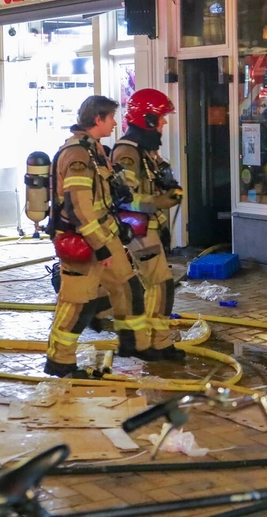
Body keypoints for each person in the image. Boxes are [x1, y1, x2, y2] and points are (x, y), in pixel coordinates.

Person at [44, 95, 156, 378]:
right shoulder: (78, 156)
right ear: (98, 119)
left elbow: (102, 198)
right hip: (83, 242)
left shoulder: (95, 151)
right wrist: (101, 248)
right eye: (110, 118)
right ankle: (60, 361)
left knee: (128, 287)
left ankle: (134, 345)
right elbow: (79, 208)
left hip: (105, 236)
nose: (115, 123)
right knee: (78, 304)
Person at [111, 89, 185, 362]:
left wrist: (169, 186)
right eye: (161, 118)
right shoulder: (127, 151)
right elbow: (124, 199)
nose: (165, 123)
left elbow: (160, 180)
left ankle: (155, 342)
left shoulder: (146, 151)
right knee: (161, 284)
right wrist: (159, 201)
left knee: (158, 286)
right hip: (139, 228)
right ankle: (156, 344)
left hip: (151, 227)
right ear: (148, 119)